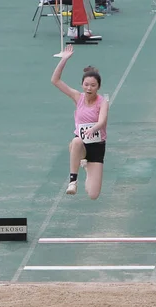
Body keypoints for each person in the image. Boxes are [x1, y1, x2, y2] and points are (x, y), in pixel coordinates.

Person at [51, 44, 109, 199]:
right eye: (86, 85)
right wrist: (64, 59)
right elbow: (55, 80)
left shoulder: (102, 102)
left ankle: (86, 165)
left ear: (98, 87)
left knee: (93, 194)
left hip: (96, 147)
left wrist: (94, 128)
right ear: (82, 85)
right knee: (76, 141)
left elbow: (102, 121)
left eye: (93, 85)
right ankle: (73, 181)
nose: (89, 88)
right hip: (81, 145)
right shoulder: (78, 97)